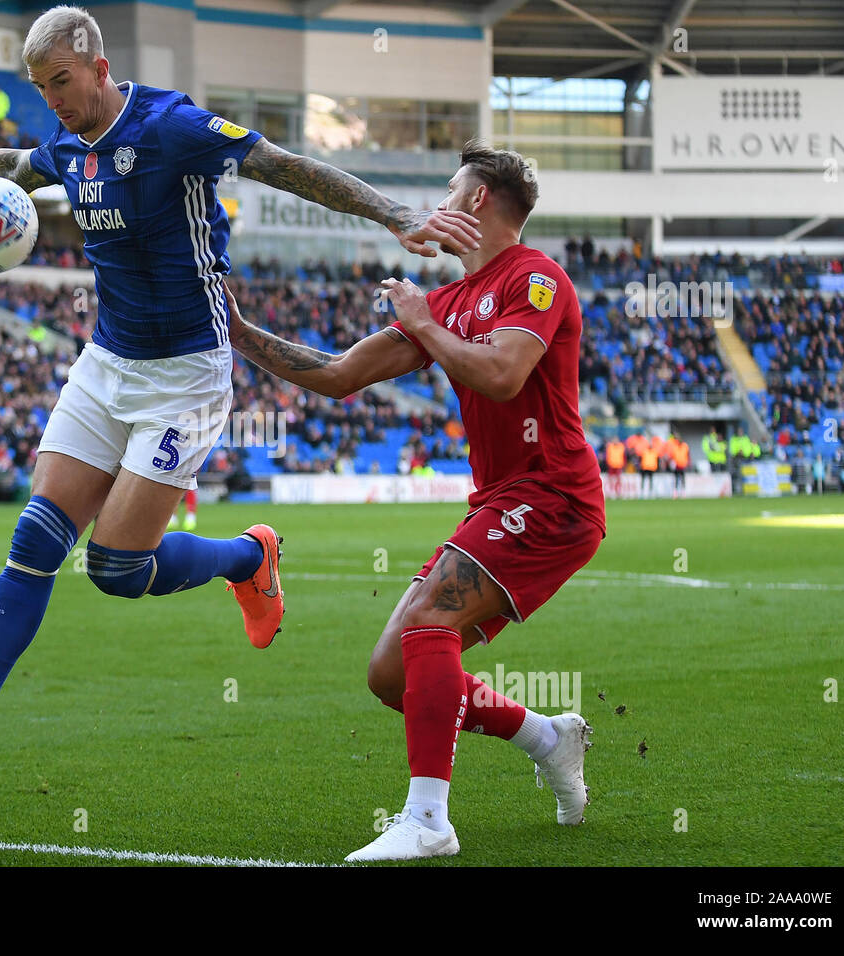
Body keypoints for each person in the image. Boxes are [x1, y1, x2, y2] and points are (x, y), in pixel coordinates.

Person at [0, 4, 478, 779]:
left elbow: (285, 165)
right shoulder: (66, 141)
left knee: (116, 571)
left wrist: (393, 212)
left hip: (186, 374)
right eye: (39, 86)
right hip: (106, 362)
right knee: (34, 538)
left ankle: (245, 558)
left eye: (60, 81)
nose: (51, 98)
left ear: (98, 67)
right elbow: (19, 165)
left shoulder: (171, 125)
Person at [226, 139, 605, 861]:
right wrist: (240, 333)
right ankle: (546, 737)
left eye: (450, 186)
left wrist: (424, 320)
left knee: (430, 617)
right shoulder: (449, 300)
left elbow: (502, 375)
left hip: (553, 494)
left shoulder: (538, 278)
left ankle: (428, 819)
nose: (438, 200)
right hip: (499, 497)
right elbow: (340, 374)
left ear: (477, 200)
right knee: (391, 675)